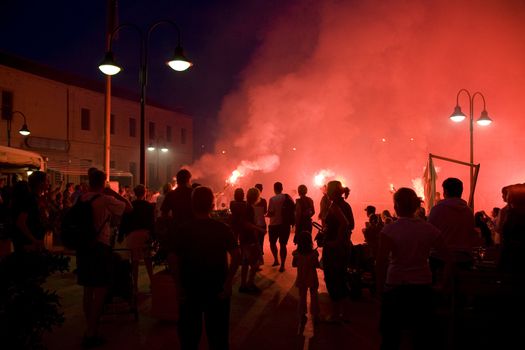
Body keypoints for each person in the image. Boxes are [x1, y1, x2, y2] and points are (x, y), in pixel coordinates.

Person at [168, 186, 241, 350]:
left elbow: (172, 258)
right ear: (212, 205)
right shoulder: (222, 229)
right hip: (217, 290)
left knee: (189, 338)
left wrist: (179, 286)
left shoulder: (183, 230)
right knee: (218, 337)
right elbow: (237, 255)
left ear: (192, 204)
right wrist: (228, 282)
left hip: (190, 289)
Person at [376, 188, 443, 350]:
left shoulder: (389, 229)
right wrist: (443, 283)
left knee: (391, 336)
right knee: (421, 336)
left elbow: (381, 261)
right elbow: (447, 256)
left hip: (395, 285)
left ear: (396, 205)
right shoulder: (428, 229)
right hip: (422, 286)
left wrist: (379, 289)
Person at [76, 169, 131, 348]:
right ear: (103, 183)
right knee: (100, 290)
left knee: (88, 289)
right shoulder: (105, 199)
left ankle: (89, 328)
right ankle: (92, 331)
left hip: (84, 247)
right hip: (100, 247)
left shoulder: (82, 198)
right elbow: (129, 207)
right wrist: (111, 192)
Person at [428, 178, 480, 284]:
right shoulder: (468, 211)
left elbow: (430, 233)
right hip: (463, 259)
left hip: (440, 259)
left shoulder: (437, 209)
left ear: (445, 192)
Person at [322, 180, 354, 322]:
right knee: (341, 278)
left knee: (333, 279)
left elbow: (345, 223)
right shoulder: (345, 205)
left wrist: (336, 241)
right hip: (344, 248)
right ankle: (345, 314)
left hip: (335, 249)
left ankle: (335, 315)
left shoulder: (336, 206)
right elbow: (351, 225)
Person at [121, 184, 155, 293]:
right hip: (145, 234)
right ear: (144, 193)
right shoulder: (149, 206)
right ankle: (152, 282)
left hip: (133, 234)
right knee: (148, 259)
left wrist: (122, 234)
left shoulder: (130, 205)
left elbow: (125, 221)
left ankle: (135, 285)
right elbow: (152, 222)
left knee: (134, 261)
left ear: (135, 193)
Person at [10, 171, 48, 253]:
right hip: (28, 244)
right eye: (46, 181)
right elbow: (20, 222)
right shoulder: (30, 199)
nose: (48, 183)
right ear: (40, 183)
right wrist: (34, 240)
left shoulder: (35, 198)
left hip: (34, 242)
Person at [238, 188, 265, 293]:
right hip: (250, 239)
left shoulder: (244, 206)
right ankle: (250, 284)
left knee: (245, 262)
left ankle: (243, 285)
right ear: (256, 196)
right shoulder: (249, 208)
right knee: (256, 263)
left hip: (244, 238)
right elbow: (247, 223)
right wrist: (260, 229)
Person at [292, 230, 320, 329]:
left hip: (301, 277)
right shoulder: (314, 254)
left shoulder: (296, 254)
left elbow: (294, 264)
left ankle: (302, 314)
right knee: (314, 295)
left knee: (302, 296)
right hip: (312, 276)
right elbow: (317, 265)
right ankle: (315, 314)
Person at [267, 182, 292, 272]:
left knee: (272, 243)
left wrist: (266, 215)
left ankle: (276, 260)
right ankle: (282, 265)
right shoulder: (287, 197)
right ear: (282, 188)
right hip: (285, 225)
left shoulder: (272, 199)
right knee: (283, 245)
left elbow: (271, 212)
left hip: (274, 225)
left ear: (274, 189)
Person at [253, 183, 267, 264]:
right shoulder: (264, 201)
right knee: (260, 243)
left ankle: (256, 261)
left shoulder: (250, 202)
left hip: (254, 224)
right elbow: (265, 212)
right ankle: (259, 260)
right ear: (261, 190)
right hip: (261, 224)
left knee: (254, 243)